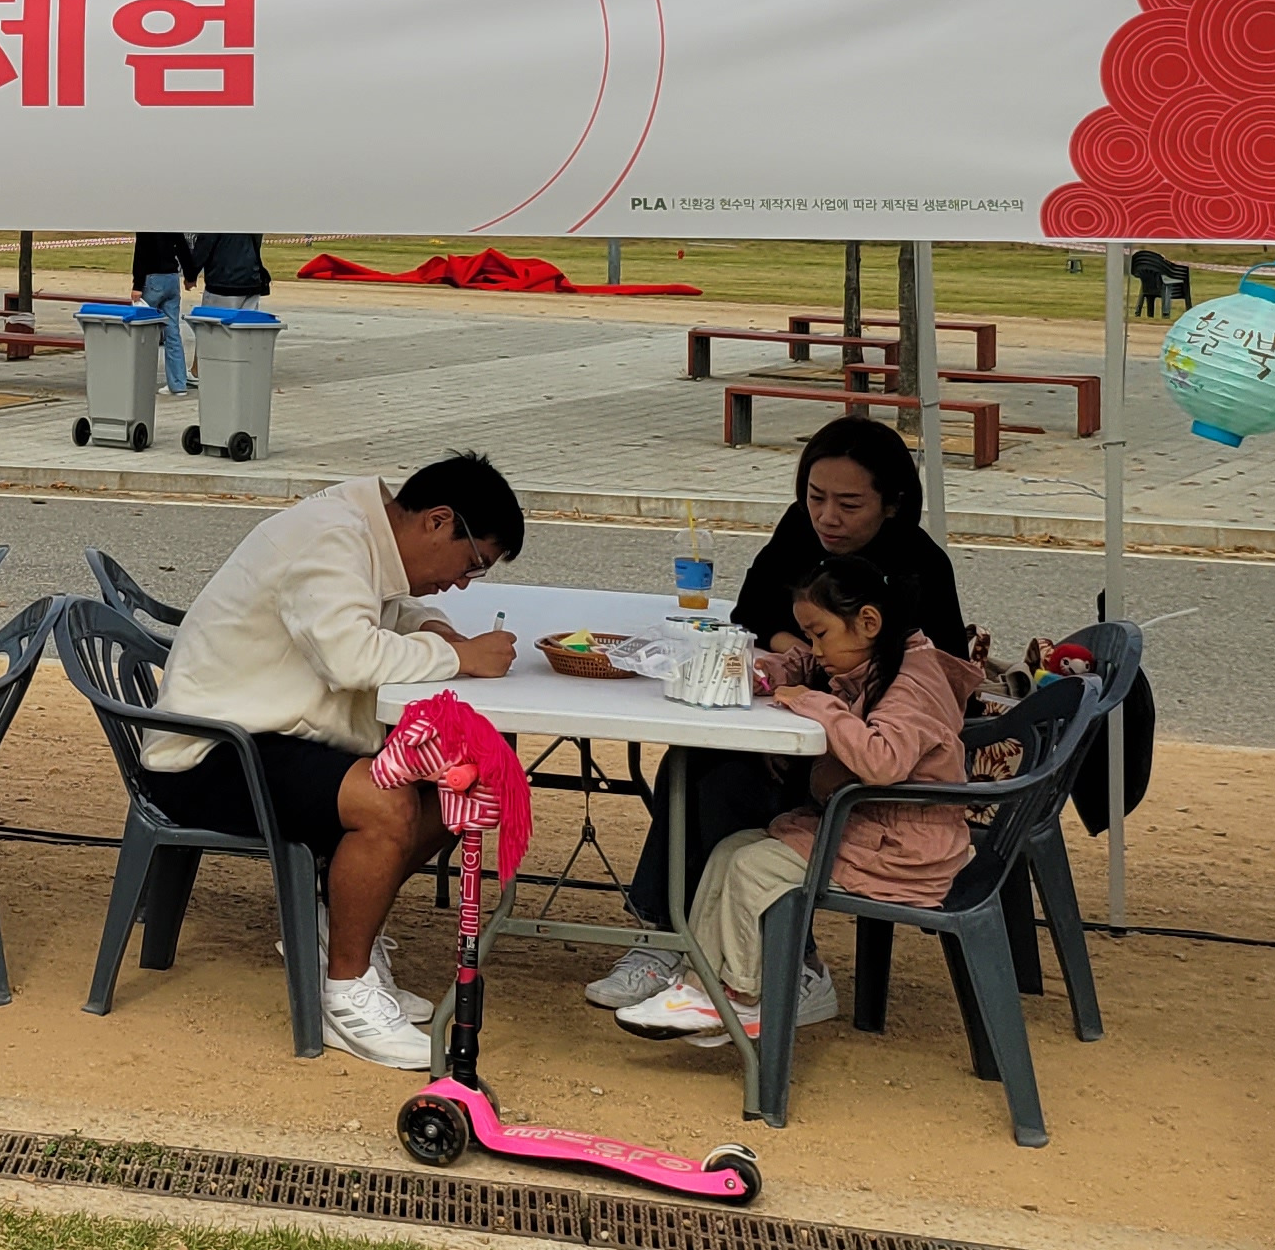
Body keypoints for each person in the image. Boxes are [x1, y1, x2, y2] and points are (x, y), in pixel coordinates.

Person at [137, 453, 528, 1068]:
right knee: (386, 802)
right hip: (210, 751)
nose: (463, 583)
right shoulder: (331, 538)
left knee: (469, 775)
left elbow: (386, 609)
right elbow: (351, 657)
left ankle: (334, 930)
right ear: (437, 521)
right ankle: (344, 994)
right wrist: (460, 657)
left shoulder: (364, 527)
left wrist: (437, 628)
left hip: (273, 731)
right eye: (473, 563)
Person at [586, 416, 971, 1018]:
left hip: (869, 781)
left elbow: (919, 700)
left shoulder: (919, 574)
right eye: (815, 497)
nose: (827, 518)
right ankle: (668, 938)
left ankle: (778, 962)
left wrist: (816, 687)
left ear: (892, 504)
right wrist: (810, 656)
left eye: (849, 504)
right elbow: (752, 612)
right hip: (814, 731)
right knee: (693, 760)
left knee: (731, 786)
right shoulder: (801, 533)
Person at [618, 546, 983, 1043]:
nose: (815, 648)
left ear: (869, 622)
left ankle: (742, 996)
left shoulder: (913, 682)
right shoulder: (868, 657)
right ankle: (702, 983)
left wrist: (817, 705)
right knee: (729, 852)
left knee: (753, 868)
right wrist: (768, 675)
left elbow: (883, 760)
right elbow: (801, 665)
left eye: (820, 634)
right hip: (867, 828)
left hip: (904, 849)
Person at [129, 232, 192, 397]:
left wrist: (137, 285)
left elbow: (141, 253)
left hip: (152, 277)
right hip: (172, 277)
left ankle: (141, 381)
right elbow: (183, 249)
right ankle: (178, 383)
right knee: (173, 332)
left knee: (144, 333)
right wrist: (190, 275)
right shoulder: (171, 224)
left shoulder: (147, 228)